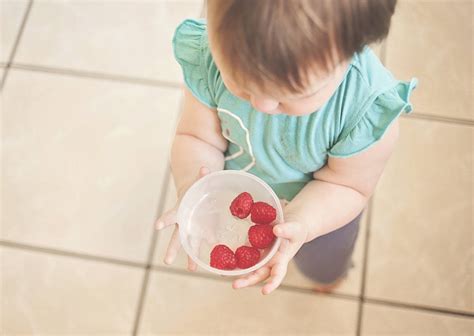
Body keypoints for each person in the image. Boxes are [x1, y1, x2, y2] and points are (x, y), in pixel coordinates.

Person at [155, 0, 417, 295]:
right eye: (240, 82)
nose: (261, 105)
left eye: (289, 95)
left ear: (352, 50)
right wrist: (193, 186)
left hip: (321, 211)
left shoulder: (364, 109)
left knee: (323, 261)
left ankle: (327, 278)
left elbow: (349, 186)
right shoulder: (211, 56)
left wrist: (303, 223)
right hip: (238, 190)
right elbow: (197, 137)